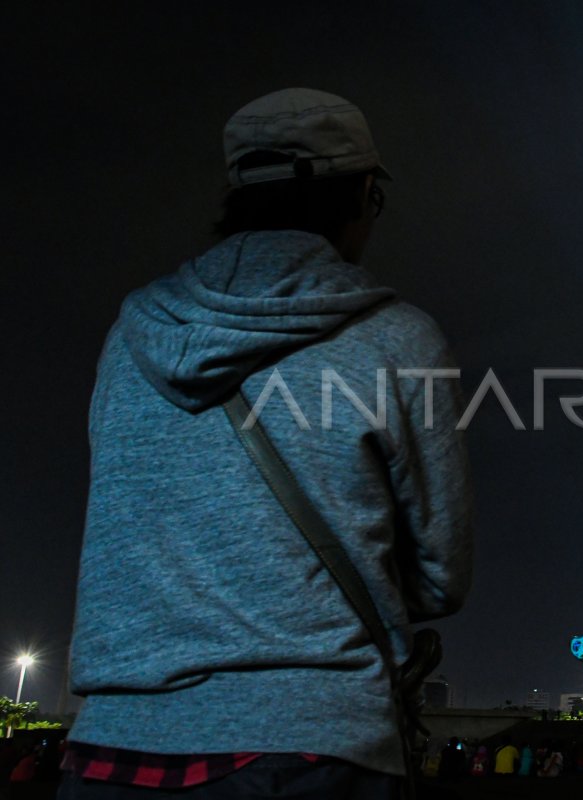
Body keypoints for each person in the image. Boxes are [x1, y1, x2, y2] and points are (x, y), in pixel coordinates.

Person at [58, 87, 474, 798]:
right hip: (311, 747)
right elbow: (442, 573)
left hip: (111, 751)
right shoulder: (396, 340)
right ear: (364, 195)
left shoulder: (128, 339)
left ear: (236, 190)